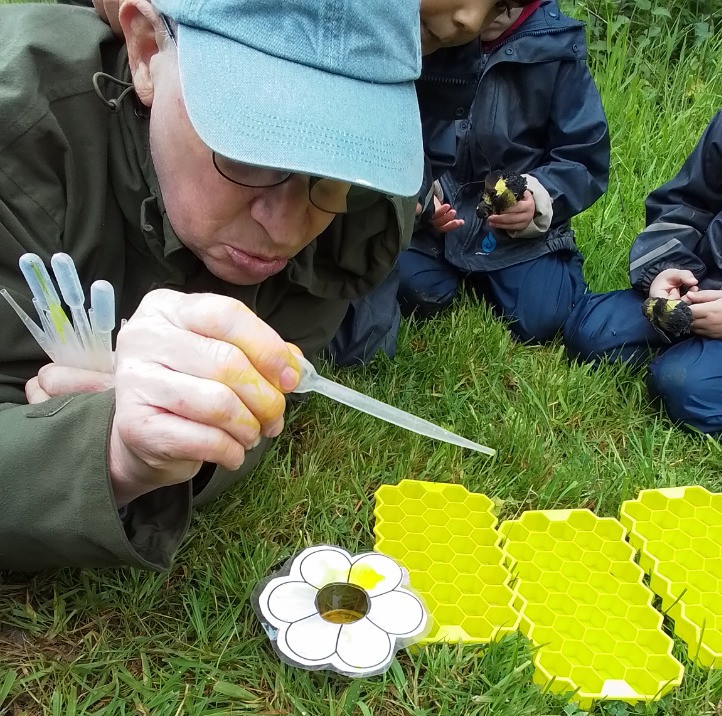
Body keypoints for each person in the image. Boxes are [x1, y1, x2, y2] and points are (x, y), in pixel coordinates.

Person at [0, 0, 424, 573]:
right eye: (248, 151)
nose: (286, 225)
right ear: (148, 51)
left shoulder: (358, 214)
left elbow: (275, 385)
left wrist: (170, 437)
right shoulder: (17, 139)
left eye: (332, 171)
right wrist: (100, 453)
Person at [563, 52, 722, 435]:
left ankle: (717, 365)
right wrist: (666, 269)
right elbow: (686, 201)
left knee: (685, 385)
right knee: (590, 331)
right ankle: (707, 353)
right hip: (706, 288)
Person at [397, 0, 609, 345]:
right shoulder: (430, 29)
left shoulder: (556, 46)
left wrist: (538, 198)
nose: (475, 20)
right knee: (414, 289)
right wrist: (423, 196)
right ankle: (446, 265)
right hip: (435, 223)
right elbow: (402, 129)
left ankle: (530, 268)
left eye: (502, 8)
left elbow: (584, 157)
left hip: (512, 227)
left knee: (543, 319)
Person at [327, 0, 522, 365]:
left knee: (364, 349)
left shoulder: (455, 57)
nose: (471, 20)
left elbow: (429, 151)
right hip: (283, 196)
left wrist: (416, 194)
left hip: (368, 219)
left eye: (500, 7)